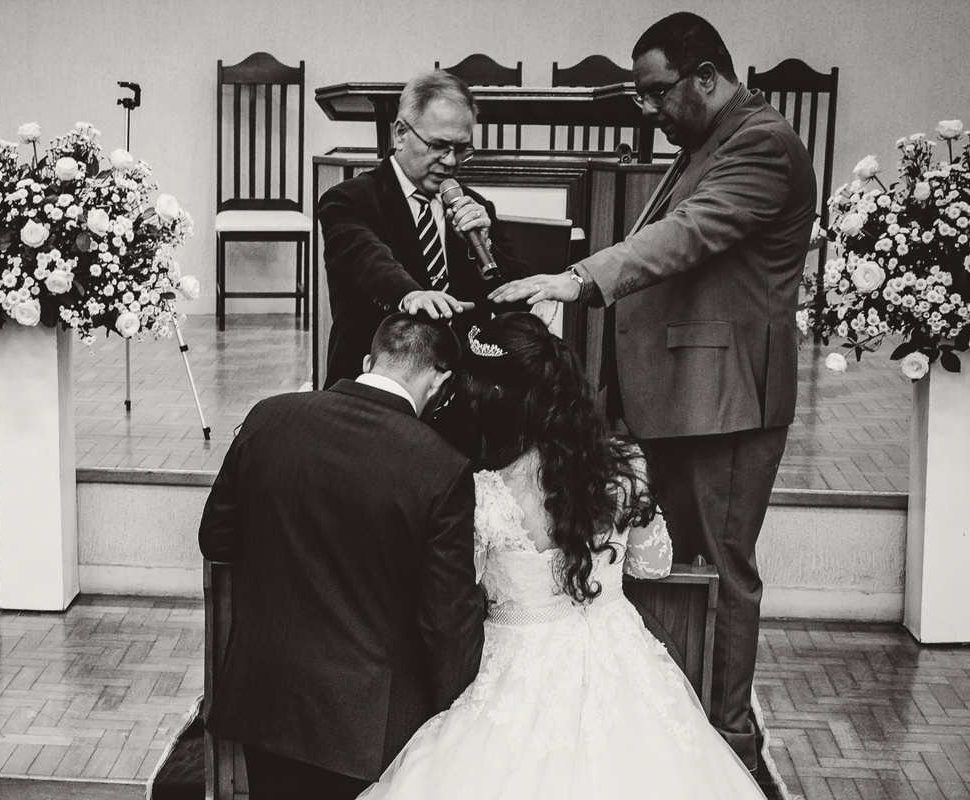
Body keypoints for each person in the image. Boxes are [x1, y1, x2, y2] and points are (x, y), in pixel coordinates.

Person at [489, 12, 817, 777]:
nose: (649, 110)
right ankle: (677, 729)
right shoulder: (706, 139)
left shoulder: (763, 143)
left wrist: (578, 280)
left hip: (725, 403)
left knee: (721, 568)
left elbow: (689, 234)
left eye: (657, 93)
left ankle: (730, 738)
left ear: (707, 76)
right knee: (673, 568)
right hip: (679, 393)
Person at [358, 313, 764, 799]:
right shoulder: (624, 468)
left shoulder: (482, 492)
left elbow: (455, 596)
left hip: (514, 670)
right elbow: (653, 565)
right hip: (620, 659)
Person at [198, 313, 485, 800]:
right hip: (365, 722)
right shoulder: (442, 468)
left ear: (368, 361)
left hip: (266, 698)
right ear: (440, 382)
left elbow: (217, 538)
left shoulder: (269, 416)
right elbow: (445, 619)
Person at [318, 69, 528, 389]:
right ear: (401, 133)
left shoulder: (472, 205)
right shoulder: (349, 199)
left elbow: (515, 299)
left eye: (462, 150)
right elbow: (367, 259)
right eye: (439, 146)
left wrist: (483, 248)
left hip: (457, 388)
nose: (450, 161)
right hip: (376, 383)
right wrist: (412, 295)